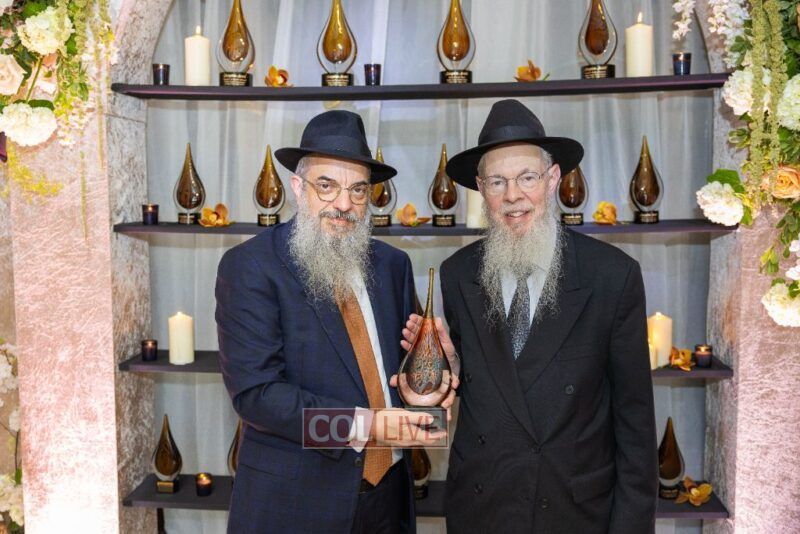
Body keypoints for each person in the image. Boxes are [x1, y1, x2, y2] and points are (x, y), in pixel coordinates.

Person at [403, 99, 657, 533]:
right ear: (481, 188)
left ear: (553, 178)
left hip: (573, 512)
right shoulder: (457, 273)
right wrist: (449, 370)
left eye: (527, 177)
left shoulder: (612, 276)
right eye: (497, 181)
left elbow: (635, 425)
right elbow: (483, 386)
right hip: (482, 508)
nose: (512, 196)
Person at [215, 110, 448, 534]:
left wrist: (435, 378)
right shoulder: (251, 266)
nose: (343, 204)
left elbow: (403, 375)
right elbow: (257, 397)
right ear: (297, 188)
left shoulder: (393, 265)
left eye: (358, 190)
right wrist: (367, 426)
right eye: (327, 186)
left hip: (389, 497)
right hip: (296, 506)